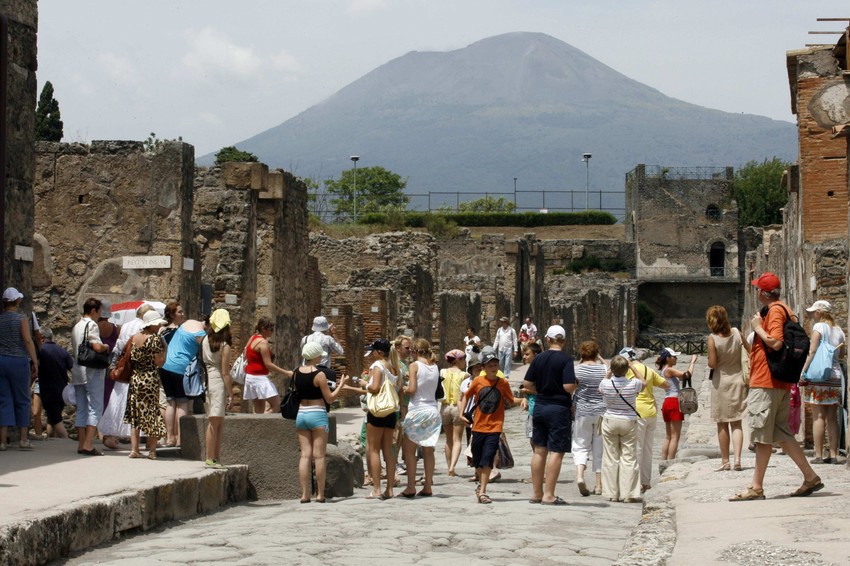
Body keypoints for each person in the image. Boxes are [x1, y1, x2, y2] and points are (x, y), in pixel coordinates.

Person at [730, 272, 822, 501]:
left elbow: (776, 342)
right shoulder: (786, 310)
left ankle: (756, 487)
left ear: (762, 292)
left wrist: (757, 328)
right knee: (782, 433)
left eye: (757, 289)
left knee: (762, 435)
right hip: (779, 382)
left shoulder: (774, 311)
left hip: (766, 382)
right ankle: (810, 477)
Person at [521, 325, 577, 505]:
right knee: (557, 451)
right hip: (558, 408)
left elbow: (527, 383)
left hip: (540, 406)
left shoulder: (539, 358)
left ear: (547, 340)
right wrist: (575, 384)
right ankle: (549, 494)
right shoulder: (566, 359)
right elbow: (569, 387)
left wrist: (543, 390)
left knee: (539, 450)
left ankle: (536, 493)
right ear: (564, 341)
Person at [459, 347, 516, 504]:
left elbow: (511, 400)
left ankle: (483, 491)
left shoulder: (503, 383)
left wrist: (523, 400)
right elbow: (466, 396)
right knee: (477, 460)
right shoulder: (477, 381)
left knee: (487, 459)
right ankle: (480, 483)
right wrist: (461, 413)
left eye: (495, 365)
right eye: (490, 365)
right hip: (477, 427)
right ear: (482, 368)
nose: (493, 368)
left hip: (495, 427)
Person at [294, 340, 348, 502]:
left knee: (305, 455)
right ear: (316, 356)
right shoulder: (319, 375)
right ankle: (320, 494)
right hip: (317, 414)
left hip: (301, 414)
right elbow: (330, 399)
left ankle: (304, 494)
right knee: (319, 456)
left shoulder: (296, 372)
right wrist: (341, 385)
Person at [799, 299, 845, 465]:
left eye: (813, 313)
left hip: (819, 376)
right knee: (832, 417)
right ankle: (833, 454)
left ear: (819, 312)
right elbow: (841, 355)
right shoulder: (839, 330)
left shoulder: (819, 327)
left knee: (818, 415)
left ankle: (818, 454)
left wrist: (803, 371)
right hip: (835, 376)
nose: (812, 316)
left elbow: (812, 351)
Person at [706, 305, 749, 471]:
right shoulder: (737, 333)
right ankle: (738, 459)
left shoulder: (712, 338)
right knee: (737, 423)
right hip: (738, 380)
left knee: (722, 423)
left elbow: (713, 363)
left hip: (721, 382)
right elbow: (750, 350)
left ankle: (725, 461)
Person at [620, 346, 668, 493]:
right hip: (651, 413)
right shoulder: (648, 370)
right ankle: (646, 481)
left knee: (636, 449)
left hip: (636, 411)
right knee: (647, 449)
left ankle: (635, 482)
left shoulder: (627, 371)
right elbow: (665, 384)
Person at [399, 339, 443, 498]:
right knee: (428, 450)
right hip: (432, 410)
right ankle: (427, 485)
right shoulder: (435, 367)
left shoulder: (414, 365)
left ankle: (411, 486)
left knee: (409, 451)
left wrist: (402, 387)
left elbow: (412, 389)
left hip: (417, 410)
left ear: (415, 352)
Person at [599, 355, 646, 503]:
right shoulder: (633, 384)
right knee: (629, 457)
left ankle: (612, 493)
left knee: (611, 457)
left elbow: (601, 387)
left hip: (610, 420)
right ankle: (628, 493)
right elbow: (644, 382)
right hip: (628, 421)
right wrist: (632, 367)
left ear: (612, 369)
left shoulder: (605, 384)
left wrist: (609, 372)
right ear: (626, 370)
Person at [124, 310, 168, 460]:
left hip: (136, 378)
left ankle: (134, 450)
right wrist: (165, 350)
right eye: (157, 324)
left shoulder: (134, 338)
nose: (159, 327)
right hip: (150, 378)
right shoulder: (155, 340)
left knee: (135, 414)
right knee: (152, 413)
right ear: (152, 325)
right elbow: (159, 362)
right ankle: (152, 451)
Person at [0, 288, 39, 451]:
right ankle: (23, 439)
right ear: (16, 302)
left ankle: (2, 441)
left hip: (2, 360)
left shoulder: (0, 319)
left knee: (4, 400)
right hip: (18, 360)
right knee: (23, 399)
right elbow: (28, 341)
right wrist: (35, 361)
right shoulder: (21, 318)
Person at [70, 298, 110, 456]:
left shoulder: (77, 326)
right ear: (93, 311)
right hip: (92, 371)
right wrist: (106, 346)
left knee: (81, 408)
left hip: (78, 371)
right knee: (95, 407)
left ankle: (81, 443)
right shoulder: (91, 325)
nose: (100, 315)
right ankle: (88, 444)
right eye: (99, 311)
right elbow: (97, 346)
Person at [159, 318, 206, 445]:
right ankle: (180, 438)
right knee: (182, 403)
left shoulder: (187, 323)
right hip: (180, 368)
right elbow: (204, 354)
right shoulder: (201, 334)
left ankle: (170, 437)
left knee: (170, 403)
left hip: (165, 366)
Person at [364, 338, 400, 499]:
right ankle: (390, 488)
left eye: (373, 350)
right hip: (391, 411)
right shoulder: (394, 367)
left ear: (379, 352)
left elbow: (375, 387)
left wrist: (363, 384)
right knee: (388, 450)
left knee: (373, 449)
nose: (371, 353)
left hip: (377, 411)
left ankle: (377, 488)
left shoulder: (377, 367)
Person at [571, 340, 608, 496]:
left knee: (580, 444)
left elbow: (572, 387)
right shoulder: (604, 369)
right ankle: (598, 484)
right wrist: (601, 359)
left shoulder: (576, 370)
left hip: (582, 412)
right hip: (600, 412)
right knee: (599, 447)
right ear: (596, 353)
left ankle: (580, 475)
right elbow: (609, 370)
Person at [203, 309, 235, 468]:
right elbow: (225, 373)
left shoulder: (204, 340)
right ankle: (210, 457)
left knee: (218, 422)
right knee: (215, 422)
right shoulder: (225, 345)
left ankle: (215, 456)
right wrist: (231, 394)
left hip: (208, 380)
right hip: (218, 383)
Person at [657, 348, 696, 462]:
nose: (676, 358)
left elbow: (680, 377)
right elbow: (687, 375)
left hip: (667, 402)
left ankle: (664, 462)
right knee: (675, 436)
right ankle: (671, 461)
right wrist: (692, 362)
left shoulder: (663, 371)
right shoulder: (669, 370)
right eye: (674, 356)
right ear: (668, 358)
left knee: (668, 436)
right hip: (674, 402)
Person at [36, 328, 72, 439]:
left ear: (41, 338)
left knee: (56, 419)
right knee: (52, 418)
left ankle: (66, 441)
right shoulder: (62, 351)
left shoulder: (41, 352)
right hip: (62, 390)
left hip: (48, 390)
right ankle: (52, 439)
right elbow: (73, 368)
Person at [440, 349, 469, 477]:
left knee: (448, 440)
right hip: (458, 407)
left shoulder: (442, 372)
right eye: (463, 359)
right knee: (457, 439)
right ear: (458, 360)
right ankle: (452, 467)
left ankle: (448, 467)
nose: (465, 361)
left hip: (444, 407)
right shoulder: (465, 375)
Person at [519, 342, 542, 445]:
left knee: (536, 443)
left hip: (538, 410)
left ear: (535, 355)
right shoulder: (532, 368)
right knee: (533, 441)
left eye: (527, 354)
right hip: (533, 410)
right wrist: (525, 398)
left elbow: (543, 390)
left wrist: (526, 391)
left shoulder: (539, 369)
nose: (524, 357)